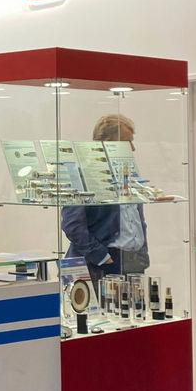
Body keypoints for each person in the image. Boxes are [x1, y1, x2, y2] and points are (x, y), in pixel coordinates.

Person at [60, 113, 148, 285]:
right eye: (127, 142)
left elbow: (137, 219)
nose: (132, 148)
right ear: (107, 143)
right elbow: (72, 225)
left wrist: (142, 253)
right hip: (99, 264)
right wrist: (101, 256)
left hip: (132, 262)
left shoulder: (129, 174)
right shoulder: (83, 174)